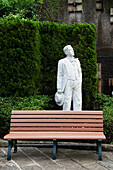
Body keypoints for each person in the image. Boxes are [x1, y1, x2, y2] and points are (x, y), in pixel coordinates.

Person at [55, 45, 82, 111]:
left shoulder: (77, 61)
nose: (72, 51)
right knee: (67, 100)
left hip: (76, 82)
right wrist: (59, 87)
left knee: (78, 100)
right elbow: (60, 75)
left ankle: (78, 116)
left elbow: (79, 72)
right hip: (67, 82)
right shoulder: (62, 62)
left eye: (72, 50)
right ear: (66, 52)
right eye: (70, 50)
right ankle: (65, 117)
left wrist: (79, 80)